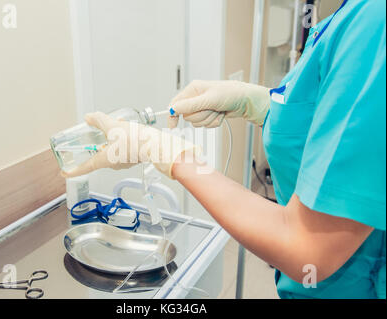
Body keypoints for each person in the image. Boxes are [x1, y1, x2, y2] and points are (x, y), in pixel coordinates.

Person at [63, 0, 385, 299]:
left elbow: (308, 245)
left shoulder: (375, 20)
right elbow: (326, 115)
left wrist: (171, 155)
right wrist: (257, 102)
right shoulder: (353, 15)